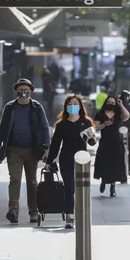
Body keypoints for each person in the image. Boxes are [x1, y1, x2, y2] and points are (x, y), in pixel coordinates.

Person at [0, 78, 51, 224]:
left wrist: (47, 147)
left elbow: (44, 127)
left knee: (32, 182)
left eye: (26, 90)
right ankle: (13, 210)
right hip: (14, 150)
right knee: (15, 180)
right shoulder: (10, 107)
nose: (23, 92)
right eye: (21, 90)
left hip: (32, 149)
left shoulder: (37, 107)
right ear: (16, 91)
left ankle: (34, 211)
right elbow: (2, 129)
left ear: (30, 91)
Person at [45, 95, 96, 229]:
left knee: (81, 188)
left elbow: (91, 142)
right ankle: (70, 216)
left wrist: (92, 137)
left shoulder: (86, 122)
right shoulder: (61, 125)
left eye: (75, 104)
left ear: (80, 106)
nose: (73, 106)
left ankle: (82, 213)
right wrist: (49, 161)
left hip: (82, 159)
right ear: (66, 107)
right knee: (69, 187)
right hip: (66, 159)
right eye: (70, 104)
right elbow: (55, 144)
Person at [94, 95, 130, 197]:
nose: (111, 104)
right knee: (104, 163)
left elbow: (127, 116)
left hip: (116, 142)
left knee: (115, 165)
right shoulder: (100, 114)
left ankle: (112, 188)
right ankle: (104, 181)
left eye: (113, 103)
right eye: (109, 102)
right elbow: (95, 127)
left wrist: (121, 105)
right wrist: (105, 124)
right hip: (105, 142)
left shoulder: (118, 114)